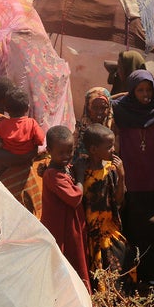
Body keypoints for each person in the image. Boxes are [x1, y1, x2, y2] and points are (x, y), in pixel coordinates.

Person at [112, 69, 154, 289]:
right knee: (136, 231)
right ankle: (139, 279)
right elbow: (102, 98)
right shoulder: (121, 110)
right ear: (131, 91)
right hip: (133, 182)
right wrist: (120, 95)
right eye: (140, 90)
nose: (146, 94)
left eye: (149, 89)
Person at [0, 77, 43, 216]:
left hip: (1, 184)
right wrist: (30, 153)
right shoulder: (2, 123)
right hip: (13, 185)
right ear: (5, 101)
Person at [40, 125, 91, 292]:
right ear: (49, 150)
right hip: (64, 230)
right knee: (72, 263)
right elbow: (75, 197)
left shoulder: (63, 168)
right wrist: (81, 176)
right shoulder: (54, 175)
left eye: (69, 151)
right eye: (61, 153)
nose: (66, 156)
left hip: (70, 225)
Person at [83, 123, 128, 284]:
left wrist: (122, 176)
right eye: (108, 147)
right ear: (94, 149)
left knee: (116, 274)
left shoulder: (111, 170)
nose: (113, 150)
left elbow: (118, 200)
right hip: (90, 235)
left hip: (110, 231)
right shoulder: (81, 171)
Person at [0, 89, 45, 177]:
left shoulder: (2, 124)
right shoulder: (32, 123)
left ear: (5, 109)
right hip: (27, 159)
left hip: (8, 160)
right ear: (27, 108)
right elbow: (40, 141)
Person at [71, 86, 113, 187]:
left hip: (106, 179)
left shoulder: (114, 128)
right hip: (81, 180)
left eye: (103, 108)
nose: (99, 112)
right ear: (88, 108)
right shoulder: (78, 130)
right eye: (95, 107)